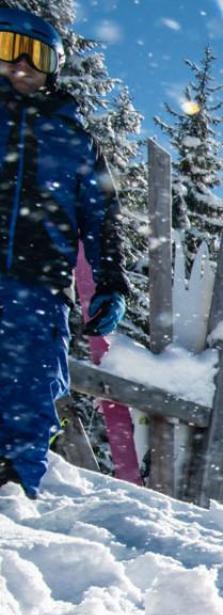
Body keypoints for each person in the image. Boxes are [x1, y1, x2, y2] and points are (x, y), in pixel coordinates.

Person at [0, 8, 127, 498]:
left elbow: (102, 219)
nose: (22, 65)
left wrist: (112, 283)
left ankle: (11, 495)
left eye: (37, 54)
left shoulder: (74, 139)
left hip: (39, 289)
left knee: (29, 397)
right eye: (10, 49)